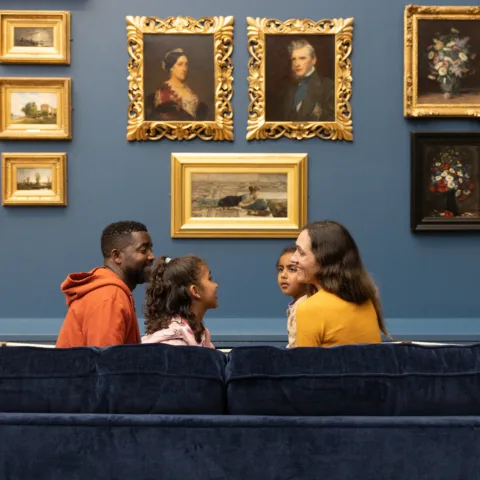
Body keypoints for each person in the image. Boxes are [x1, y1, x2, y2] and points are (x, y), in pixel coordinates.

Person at [290, 221, 390, 347]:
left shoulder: (309, 309)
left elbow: (304, 365)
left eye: (301, 252)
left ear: (324, 259)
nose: (293, 258)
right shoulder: (367, 300)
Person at [56, 221, 155, 348]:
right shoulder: (109, 298)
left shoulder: (111, 293)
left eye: (151, 249)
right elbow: (106, 363)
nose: (152, 256)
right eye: (143, 250)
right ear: (117, 256)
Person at [142, 255, 217, 348]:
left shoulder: (200, 333)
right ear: (195, 291)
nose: (216, 285)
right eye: (210, 279)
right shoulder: (173, 343)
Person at [282, 39, 335, 122]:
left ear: (313, 60)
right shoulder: (289, 87)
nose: (297, 64)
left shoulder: (328, 86)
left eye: (302, 58)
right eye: (294, 59)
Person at [149, 48, 209, 121]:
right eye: (180, 64)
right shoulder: (164, 91)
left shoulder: (187, 88)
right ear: (171, 67)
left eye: (186, 65)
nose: (184, 69)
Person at [276, 245, 310, 348]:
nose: (283, 275)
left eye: (292, 269)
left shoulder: (304, 307)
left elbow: (297, 350)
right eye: (280, 269)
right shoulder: (296, 305)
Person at [194, 185, 269, 212]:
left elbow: (255, 199)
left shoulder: (252, 196)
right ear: (253, 192)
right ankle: (198, 202)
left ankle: (200, 200)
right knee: (215, 203)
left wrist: (262, 199)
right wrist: (249, 203)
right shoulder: (247, 196)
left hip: (231, 199)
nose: (258, 193)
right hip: (230, 201)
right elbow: (240, 204)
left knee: (215, 201)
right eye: (257, 192)